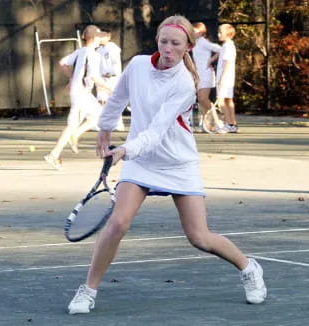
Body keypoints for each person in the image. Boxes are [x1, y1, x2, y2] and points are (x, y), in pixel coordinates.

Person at [67, 15, 267, 315]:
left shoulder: (185, 83)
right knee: (117, 223)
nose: (169, 48)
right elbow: (117, 98)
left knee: (199, 237)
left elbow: (156, 132)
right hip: (141, 162)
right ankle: (88, 289)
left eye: (175, 43)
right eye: (164, 41)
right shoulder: (137, 66)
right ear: (157, 42)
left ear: (187, 46)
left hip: (177, 162)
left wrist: (124, 149)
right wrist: (105, 130)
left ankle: (249, 267)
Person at [44, 25, 111, 170]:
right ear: (94, 39)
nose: (101, 39)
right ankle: (55, 154)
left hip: (81, 92)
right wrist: (109, 87)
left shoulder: (81, 51)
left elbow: (62, 63)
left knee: (98, 115)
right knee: (75, 124)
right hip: (81, 93)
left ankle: (70, 139)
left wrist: (72, 78)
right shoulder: (94, 55)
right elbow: (93, 76)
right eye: (99, 36)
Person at [191, 22, 222, 132]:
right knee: (200, 99)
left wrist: (211, 60)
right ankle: (206, 125)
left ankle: (217, 123)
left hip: (206, 74)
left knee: (204, 99)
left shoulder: (204, 42)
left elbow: (220, 49)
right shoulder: (195, 43)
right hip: (199, 75)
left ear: (201, 33)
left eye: (195, 31)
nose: (193, 33)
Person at [96, 30, 125, 132]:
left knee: (114, 101)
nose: (100, 38)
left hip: (112, 78)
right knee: (101, 101)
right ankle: (101, 124)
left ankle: (118, 124)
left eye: (102, 36)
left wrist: (110, 72)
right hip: (101, 78)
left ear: (108, 37)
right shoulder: (98, 50)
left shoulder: (113, 48)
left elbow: (115, 63)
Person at [216, 24, 238, 133]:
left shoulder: (227, 47)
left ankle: (228, 124)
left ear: (228, 35)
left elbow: (227, 63)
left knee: (221, 101)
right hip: (229, 78)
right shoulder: (229, 46)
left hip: (225, 78)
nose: (218, 34)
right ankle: (233, 124)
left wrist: (221, 79)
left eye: (221, 33)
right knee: (228, 100)